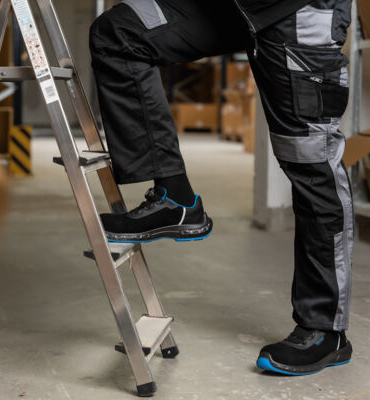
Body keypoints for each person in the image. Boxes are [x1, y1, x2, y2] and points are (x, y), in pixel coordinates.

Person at [89, 0, 354, 375]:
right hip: (230, 5)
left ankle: (325, 330)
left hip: (296, 11)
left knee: (312, 162)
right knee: (120, 33)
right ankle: (175, 197)